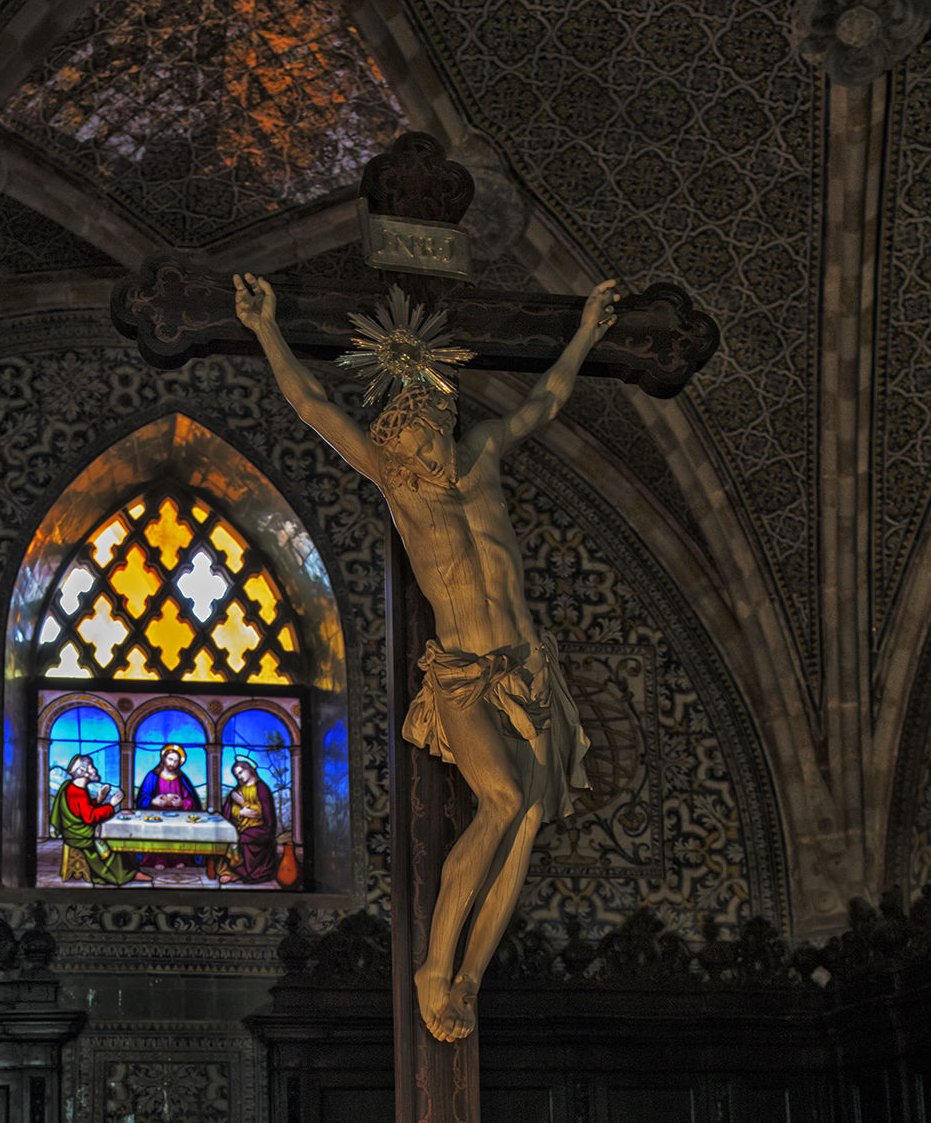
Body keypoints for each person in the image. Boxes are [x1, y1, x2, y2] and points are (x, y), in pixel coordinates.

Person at [234, 268, 619, 1041]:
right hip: (465, 675)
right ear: (394, 441)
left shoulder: (479, 457)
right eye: (417, 424)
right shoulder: (398, 485)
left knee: (536, 812)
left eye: (438, 416)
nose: (433, 432)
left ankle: (469, 978)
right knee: (504, 800)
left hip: (526, 667)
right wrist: (266, 328)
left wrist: (585, 334)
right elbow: (313, 405)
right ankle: (434, 966)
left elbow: (543, 401)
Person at [51, 752, 126, 885]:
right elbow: (90, 817)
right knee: (114, 841)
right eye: (91, 766)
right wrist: (110, 805)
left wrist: (98, 799)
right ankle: (120, 876)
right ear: (83, 771)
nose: (95, 769)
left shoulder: (74, 787)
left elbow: (82, 811)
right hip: (79, 834)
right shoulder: (78, 792)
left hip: (74, 830)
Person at [219, 756, 279, 884]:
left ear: (250, 770)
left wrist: (242, 802)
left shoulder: (261, 788)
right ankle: (234, 873)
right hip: (240, 826)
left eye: (240, 772)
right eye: (236, 775)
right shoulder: (238, 789)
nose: (239, 777)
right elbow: (228, 811)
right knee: (227, 836)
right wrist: (240, 812)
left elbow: (259, 813)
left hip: (261, 828)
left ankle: (248, 874)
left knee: (244, 838)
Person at [136, 741, 201, 812]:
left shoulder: (181, 778)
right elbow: (141, 799)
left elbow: (192, 801)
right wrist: (153, 801)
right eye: (170, 759)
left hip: (178, 817)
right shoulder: (152, 776)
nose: (172, 763)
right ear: (164, 759)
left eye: (176, 761)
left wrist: (182, 803)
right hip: (155, 816)